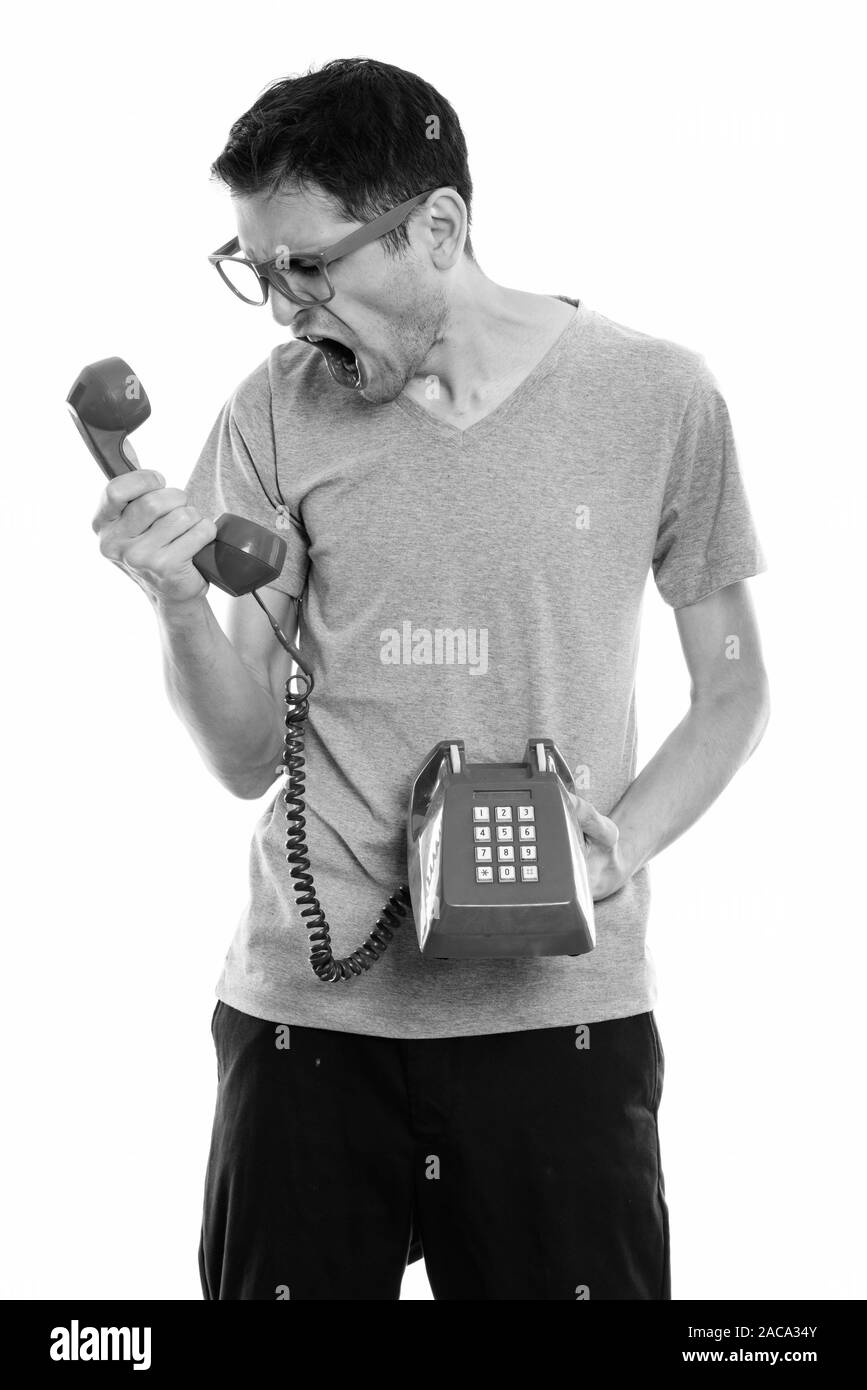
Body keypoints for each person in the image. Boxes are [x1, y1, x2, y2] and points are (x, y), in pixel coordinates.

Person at [92, 57, 770, 1300]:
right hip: (306, 1028)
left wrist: (619, 842)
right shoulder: (272, 412)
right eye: (256, 269)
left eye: (309, 266)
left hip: (561, 1024)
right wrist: (181, 605)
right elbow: (249, 755)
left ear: (438, 229)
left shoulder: (658, 396)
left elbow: (733, 688)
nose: (283, 308)